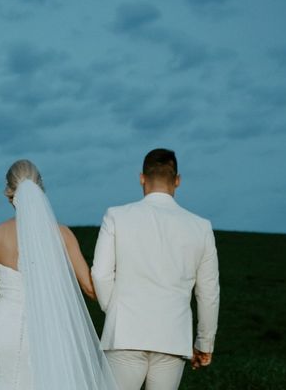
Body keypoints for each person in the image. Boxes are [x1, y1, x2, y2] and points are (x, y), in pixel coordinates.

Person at [0, 159, 118, 390]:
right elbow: (89, 288)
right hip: (49, 332)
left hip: (2, 332)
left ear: (9, 194)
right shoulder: (62, 235)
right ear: (40, 191)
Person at [92, 148, 220, 390]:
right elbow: (208, 292)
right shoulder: (201, 227)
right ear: (178, 180)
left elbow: (100, 274)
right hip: (171, 338)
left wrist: (117, 311)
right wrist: (204, 343)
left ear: (142, 178)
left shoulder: (116, 216)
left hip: (125, 335)